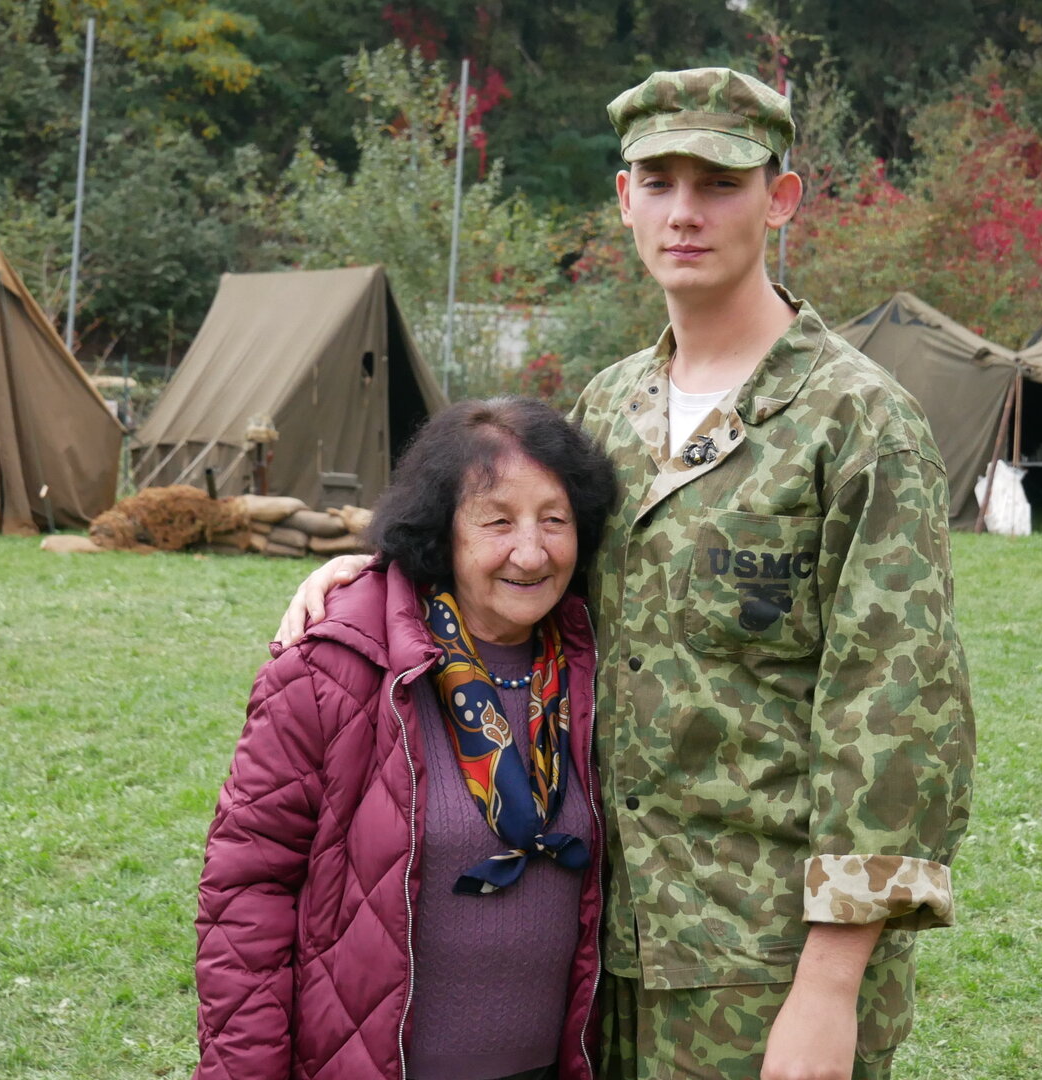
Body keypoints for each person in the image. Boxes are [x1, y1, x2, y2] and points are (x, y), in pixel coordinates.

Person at [278, 68, 974, 1080]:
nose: (684, 212)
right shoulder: (609, 409)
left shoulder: (856, 423)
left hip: (762, 963)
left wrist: (828, 989)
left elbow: (896, 713)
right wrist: (382, 575)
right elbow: (522, 579)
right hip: (596, 942)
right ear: (623, 200)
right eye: (658, 182)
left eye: (719, 183)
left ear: (779, 200)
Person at [194, 398, 620, 1080]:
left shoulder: (598, 664)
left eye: (554, 520)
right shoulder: (334, 667)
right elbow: (245, 895)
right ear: (439, 529)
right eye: (497, 521)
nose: (531, 551)